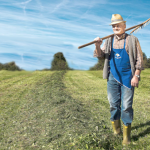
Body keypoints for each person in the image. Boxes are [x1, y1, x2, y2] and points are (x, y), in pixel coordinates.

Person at [93, 14, 144, 146]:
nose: (115, 27)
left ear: (124, 26)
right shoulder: (108, 40)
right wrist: (98, 45)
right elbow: (100, 55)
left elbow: (139, 59)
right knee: (113, 105)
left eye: (118, 25)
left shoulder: (133, 39)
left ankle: (126, 137)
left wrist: (136, 75)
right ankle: (117, 131)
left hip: (128, 78)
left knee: (126, 106)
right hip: (112, 77)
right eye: (113, 26)